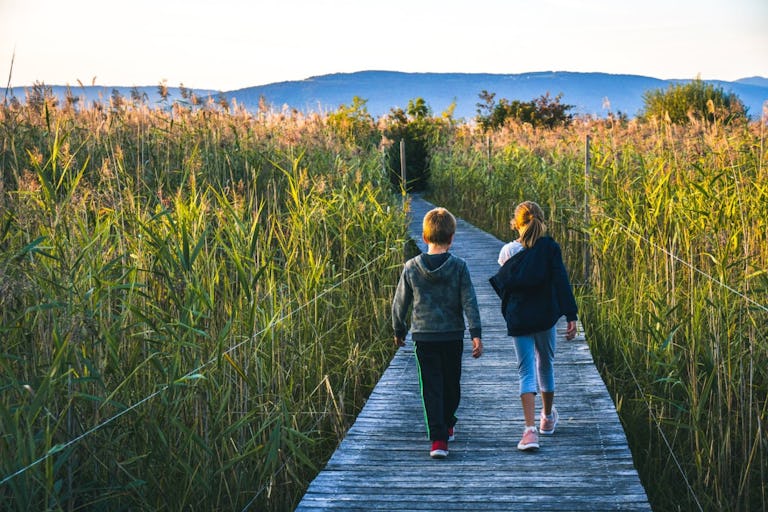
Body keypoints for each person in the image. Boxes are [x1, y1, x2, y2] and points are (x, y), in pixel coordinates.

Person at [392, 207, 483, 459]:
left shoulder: (411, 267)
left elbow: (400, 303)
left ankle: (439, 438)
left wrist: (399, 329)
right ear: (452, 237)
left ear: (424, 236)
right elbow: (470, 302)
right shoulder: (459, 267)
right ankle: (444, 428)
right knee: (452, 383)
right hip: (452, 335)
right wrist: (476, 332)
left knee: (431, 387)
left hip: (424, 337)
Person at [489, 201, 577, 451]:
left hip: (519, 318)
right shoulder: (550, 248)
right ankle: (547, 419)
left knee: (525, 371)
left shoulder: (507, 252)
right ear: (542, 220)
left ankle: (529, 432)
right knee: (546, 365)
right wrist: (571, 315)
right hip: (545, 316)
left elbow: (508, 284)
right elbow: (561, 280)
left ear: (516, 224)